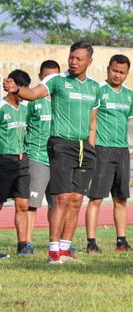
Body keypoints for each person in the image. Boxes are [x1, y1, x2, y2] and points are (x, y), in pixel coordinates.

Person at [3, 41, 100, 264]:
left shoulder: (94, 87)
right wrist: (17, 89)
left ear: (89, 61)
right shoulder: (56, 80)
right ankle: (53, 250)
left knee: (77, 200)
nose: (73, 62)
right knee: (62, 198)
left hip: (85, 147)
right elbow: (34, 93)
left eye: (79, 59)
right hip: (61, 145)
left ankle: (65, 249)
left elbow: (93, 121)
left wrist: (92, 146)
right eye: (71, 57)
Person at [85, 54, 133, 253]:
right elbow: (92, 120)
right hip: (102, 150)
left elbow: (126, 121)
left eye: (122, 72)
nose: (117, 75)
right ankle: (91, 243)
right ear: (108, 69)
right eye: (115, 71)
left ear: (127, 74)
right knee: (96, 198)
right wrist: (92, 147)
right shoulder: (98, 90)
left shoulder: (130, 95)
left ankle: (121, 242)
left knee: (121, 199)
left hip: (122, 151)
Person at [25, 60, 60, 254]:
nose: (51, 80)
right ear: (40, 77)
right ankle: (27, 241)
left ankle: (56, 242)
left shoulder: (62, 100)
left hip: (59, 158)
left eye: (55, 77)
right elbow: (24, 126)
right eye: (47, 77)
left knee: (58, 204)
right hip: (37, 156)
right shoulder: (32, 100)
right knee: (32, 204)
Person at [0, 69, 30, 256]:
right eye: (22, 88)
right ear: (12, 86)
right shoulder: (1, 107)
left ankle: (23, 246)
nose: (24, 93)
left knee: (23, 204)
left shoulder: (26, 108)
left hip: (23, 161)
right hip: (3, 160)